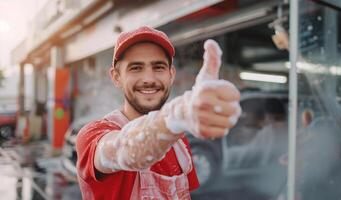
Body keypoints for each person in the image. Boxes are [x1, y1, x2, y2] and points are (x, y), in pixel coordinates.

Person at [75, 26, 241, 199]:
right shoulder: (92, 135)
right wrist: (179, 113)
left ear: (171, 75)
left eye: (158, 67)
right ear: (116, 77)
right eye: (136, 68)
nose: (148, 79)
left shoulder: (179, 142)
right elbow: (124, 150)